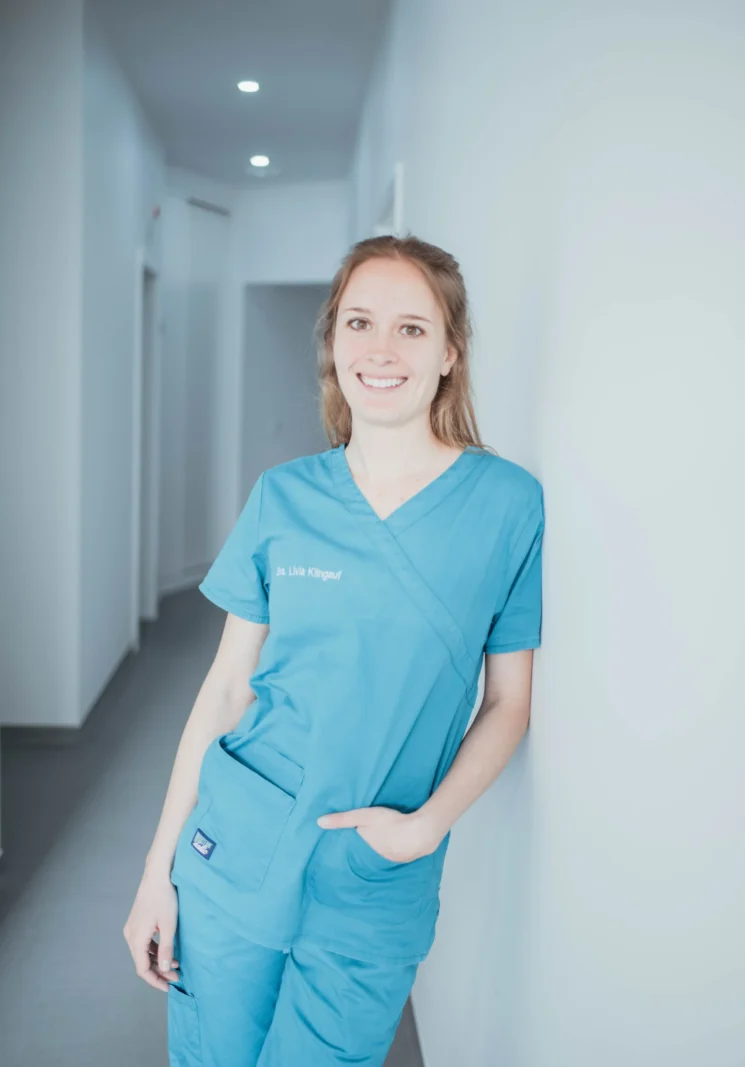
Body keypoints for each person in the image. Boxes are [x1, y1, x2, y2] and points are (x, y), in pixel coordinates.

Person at [123, 233, 545, 1067]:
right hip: (236, 843)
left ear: (450, 352)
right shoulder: (283, 497)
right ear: (334, 342)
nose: (381, 349)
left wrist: (425, 828)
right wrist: (153, 873)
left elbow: (509, 702)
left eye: (412, 329)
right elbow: (224, 691)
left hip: (375, 869)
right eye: (359, 322)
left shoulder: (507, 504)